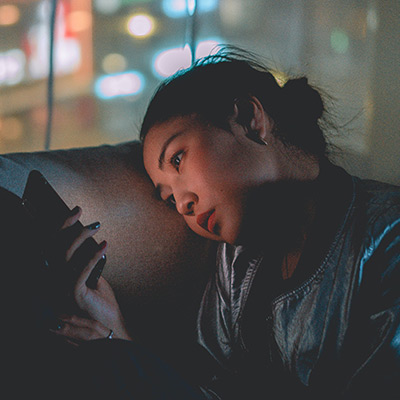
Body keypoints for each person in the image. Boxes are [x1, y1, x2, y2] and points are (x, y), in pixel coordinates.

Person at [7, 48, 399, 399]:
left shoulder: (386, 234)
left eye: (177, 160)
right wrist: (118, 336)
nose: (183, 204)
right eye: (168, 197)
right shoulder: (236, 265)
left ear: (248, 118)